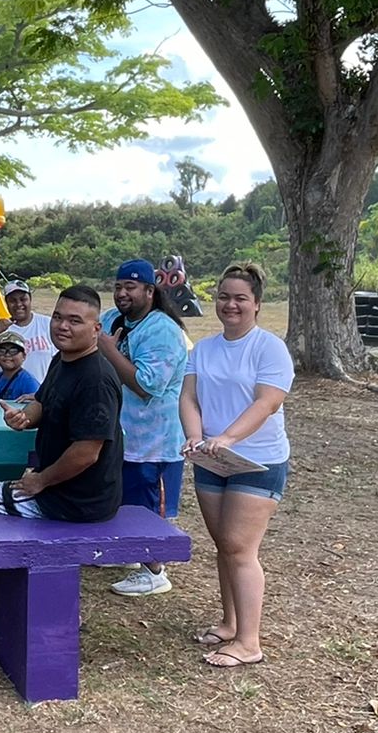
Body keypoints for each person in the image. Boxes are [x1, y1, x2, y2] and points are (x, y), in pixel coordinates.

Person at [0, 285, 123, 617]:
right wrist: (24, 418)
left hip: (79, 500)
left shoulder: (96, 379)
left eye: (75, 321)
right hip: (65, 489)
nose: (63, 326)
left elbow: (87, 451)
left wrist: (41, 481)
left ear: (96, 329)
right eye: (58, 317)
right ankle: (7, 580)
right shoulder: (64, 359)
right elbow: (43, 402)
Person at [180, 263, 293, 670]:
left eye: (240, 298)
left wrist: (228, 437)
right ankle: (230, 623)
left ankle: (249, 641)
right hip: (212, 459)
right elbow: (189, 397)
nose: (231, 304)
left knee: (240, 547)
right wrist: (195, 436)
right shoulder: (205, 349)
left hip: (258, 460)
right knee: (224, 544)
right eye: (224, 296)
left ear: (257, 304)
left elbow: (267, 402)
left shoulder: (269, 348)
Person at [99, 259, 190, 598]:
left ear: (150, 291)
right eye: (119, 286)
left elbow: (146, 385)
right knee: (119, 499)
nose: (122, 293)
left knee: (145, 504)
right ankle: (128, 553)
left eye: (131, 287)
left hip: (151, 438)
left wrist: (108, 350)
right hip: (117, 432)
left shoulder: (162, 330)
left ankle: (154, 570)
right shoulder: (111, 319)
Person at [0, 280, 55, 382]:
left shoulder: (47, 324)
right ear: (6, 303)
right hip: (7, 394)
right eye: (13, 300)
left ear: (30, 300)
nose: (18, 304)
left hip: (38, 393)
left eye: (23, 299)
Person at [0, 333, 40, 401]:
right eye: (2, 351)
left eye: (13, 351)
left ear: (24, 356)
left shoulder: (29, 382)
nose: (7, 355)